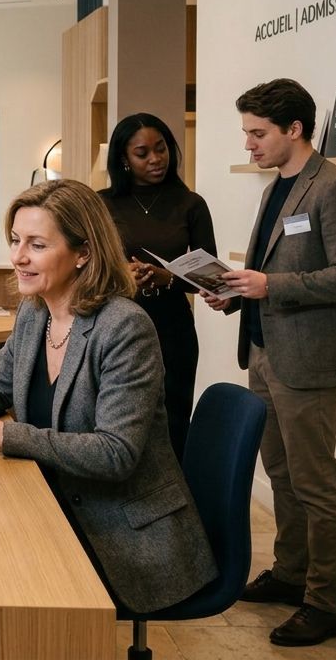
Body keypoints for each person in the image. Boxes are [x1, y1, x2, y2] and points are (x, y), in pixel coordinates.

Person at [0, 179, 216, 615]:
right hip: (60, 508)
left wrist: (1, 437)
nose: (18, 257)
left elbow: (115, 453)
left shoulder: (124, 328)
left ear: (84, 253)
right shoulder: (35, 311)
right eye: (15, 240)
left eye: (37, 245)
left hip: (126, 537)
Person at [202, 78, 336, 647]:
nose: (248, 145)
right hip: (264, 351)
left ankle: (324, 604)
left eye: (257, 133)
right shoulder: (276, 184)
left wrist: (269, 283)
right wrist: (234, 293)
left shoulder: (335, 188)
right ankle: (289, 572)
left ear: (293, 130)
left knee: (315, 482)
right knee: (280, 474)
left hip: (310, 361)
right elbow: (271, 274)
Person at [98, 113, 216, 460]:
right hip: (115, 325)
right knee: (120, 416)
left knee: (175, 419)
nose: (155, 159)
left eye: (161, 149)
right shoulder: (101, 204)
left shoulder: (191, 204)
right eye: (142, 152)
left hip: (173, 328)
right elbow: (82, 264)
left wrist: (169, 278)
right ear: (124, 158)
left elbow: (210, 276)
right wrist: (120, 274)